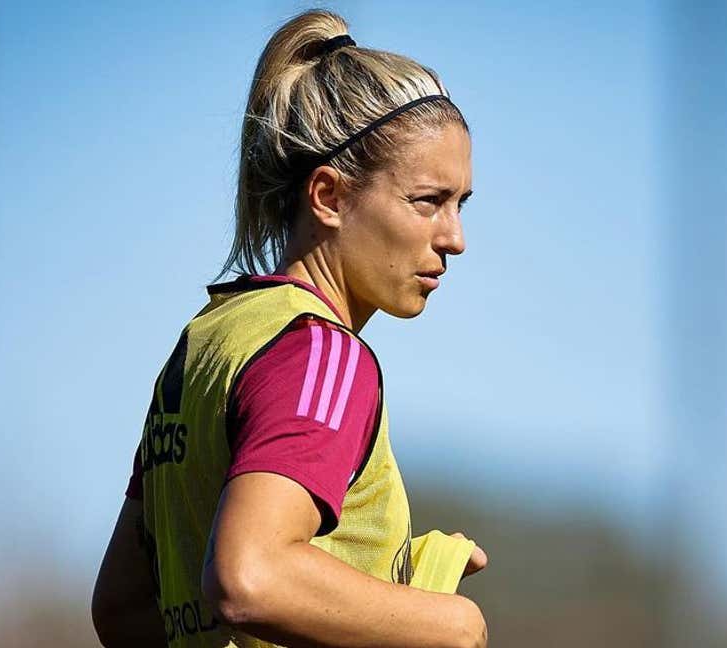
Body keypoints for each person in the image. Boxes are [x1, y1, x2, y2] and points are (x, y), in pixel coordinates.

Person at [91, 9, 487, 648]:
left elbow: (123, 607)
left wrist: (395, 581)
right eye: (427, 201)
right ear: (328, 196)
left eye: (460, 205)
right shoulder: (323, 353)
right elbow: (251, 577)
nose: (455, 239)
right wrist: (448, 623)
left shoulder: (205, 343)